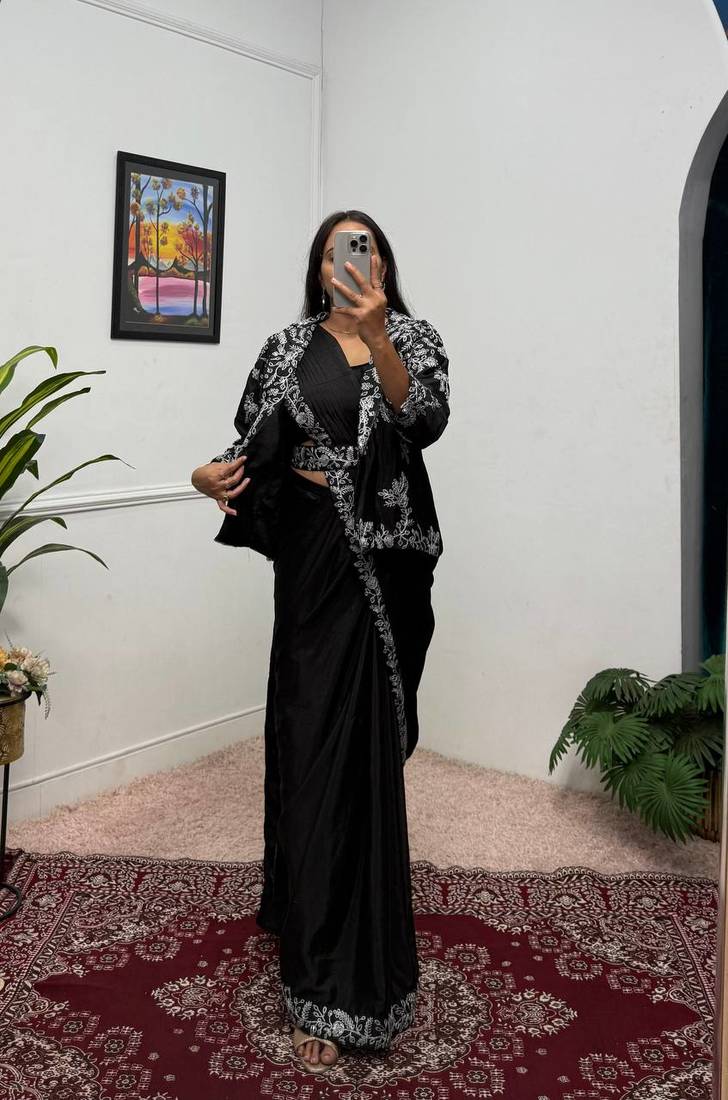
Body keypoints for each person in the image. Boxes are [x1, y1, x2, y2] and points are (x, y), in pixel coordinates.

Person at [191, 210, 450, 1073]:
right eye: (339, 250)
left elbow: (426, 421)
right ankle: (310, 952)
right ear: (318, 268)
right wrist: (204, 476)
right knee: (308, 748)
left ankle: (354, 979)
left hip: (385, 568)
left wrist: (378, 338)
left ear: (384, 266)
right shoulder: (283, 348)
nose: (353, 260)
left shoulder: (412, 337)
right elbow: (248, 447)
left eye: (366, 248)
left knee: (362, 759)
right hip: (310, 562)